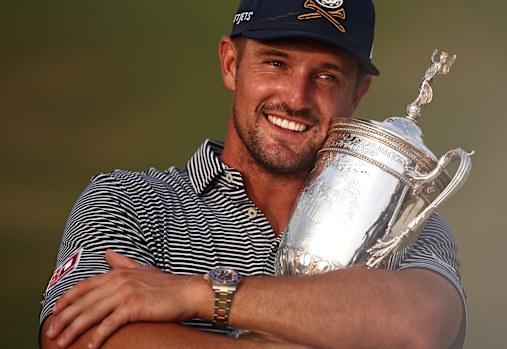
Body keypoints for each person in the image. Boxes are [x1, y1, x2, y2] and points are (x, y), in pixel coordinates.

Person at [40, 0, 467, 348]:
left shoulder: (401, 221)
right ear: (231, 64)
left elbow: (420, 326)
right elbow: (74, 336)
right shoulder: (128, 199)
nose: (296, 98)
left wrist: (195, 294)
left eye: (326, 76)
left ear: (357, 93)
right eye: (276, 63)